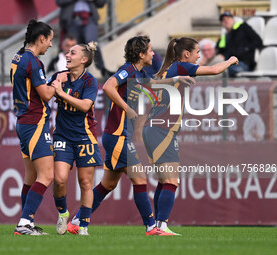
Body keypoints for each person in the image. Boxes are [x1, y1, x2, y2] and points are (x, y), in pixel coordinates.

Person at [66, 36, 193, 236]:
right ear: (141, 54)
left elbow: (153, 83)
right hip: (117, 136)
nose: (153, 54)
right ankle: (152, 227)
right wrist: (126, 108)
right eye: (150, 50)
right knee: (140, 179)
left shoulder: (139, 73)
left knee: (108, 184)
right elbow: (108, 86)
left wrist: (176, 79)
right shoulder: (129, 70)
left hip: (117, 135)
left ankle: (75, 221)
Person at [143, 37, 238, 235]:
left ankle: (156, 227)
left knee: (164, 180)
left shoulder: (168, 69)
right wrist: (229, 61)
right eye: (196, 52)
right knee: (171, 180)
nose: (198, 56)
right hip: (162, 129)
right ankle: (161, 225)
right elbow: (213, 70)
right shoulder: (180, 67)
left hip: (154, 127)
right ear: (186, 54)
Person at [10, 19, 68, 236]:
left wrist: (49, 81)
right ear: (41, 38)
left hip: (23, 122)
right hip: (35, 122)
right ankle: (24, 224)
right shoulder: (33, 62)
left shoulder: (18, 56)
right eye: (50, 40)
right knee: (47, 176)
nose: (51, 45)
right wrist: (57, 82)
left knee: (30, 178)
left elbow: (34, 87)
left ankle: (26, 222)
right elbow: (44, 95)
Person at [50, 42, 103, 236]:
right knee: (59, 179)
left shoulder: (90, 81)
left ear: (84, 59)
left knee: (86, 183)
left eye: (73, 52)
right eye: (68, 52)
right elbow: (46, 94)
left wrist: (61, 93)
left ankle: (83, 226)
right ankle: (63, 213)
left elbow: (85, 106)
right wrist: (54, 84)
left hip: (84, 136)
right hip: (62, 134)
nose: (67, 54)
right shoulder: (59, 77)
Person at [56, 0, 112, 78]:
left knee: (92, 43)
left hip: (89, 18)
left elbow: (101, 3)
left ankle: (102, 69)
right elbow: (59, 2)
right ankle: (72, 74)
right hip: (71, 20)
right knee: (72, 47)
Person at [216, 11, 262, 77]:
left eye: (228, 19)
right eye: (223, 20)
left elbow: (258, 41)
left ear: (233, 20)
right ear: (222, 24)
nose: (226, 21)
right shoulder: (224, 37)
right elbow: (219, 50)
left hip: (243, 63)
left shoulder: (243, 27)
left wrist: (245, 49)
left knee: (222, 71)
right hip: (229, 63)